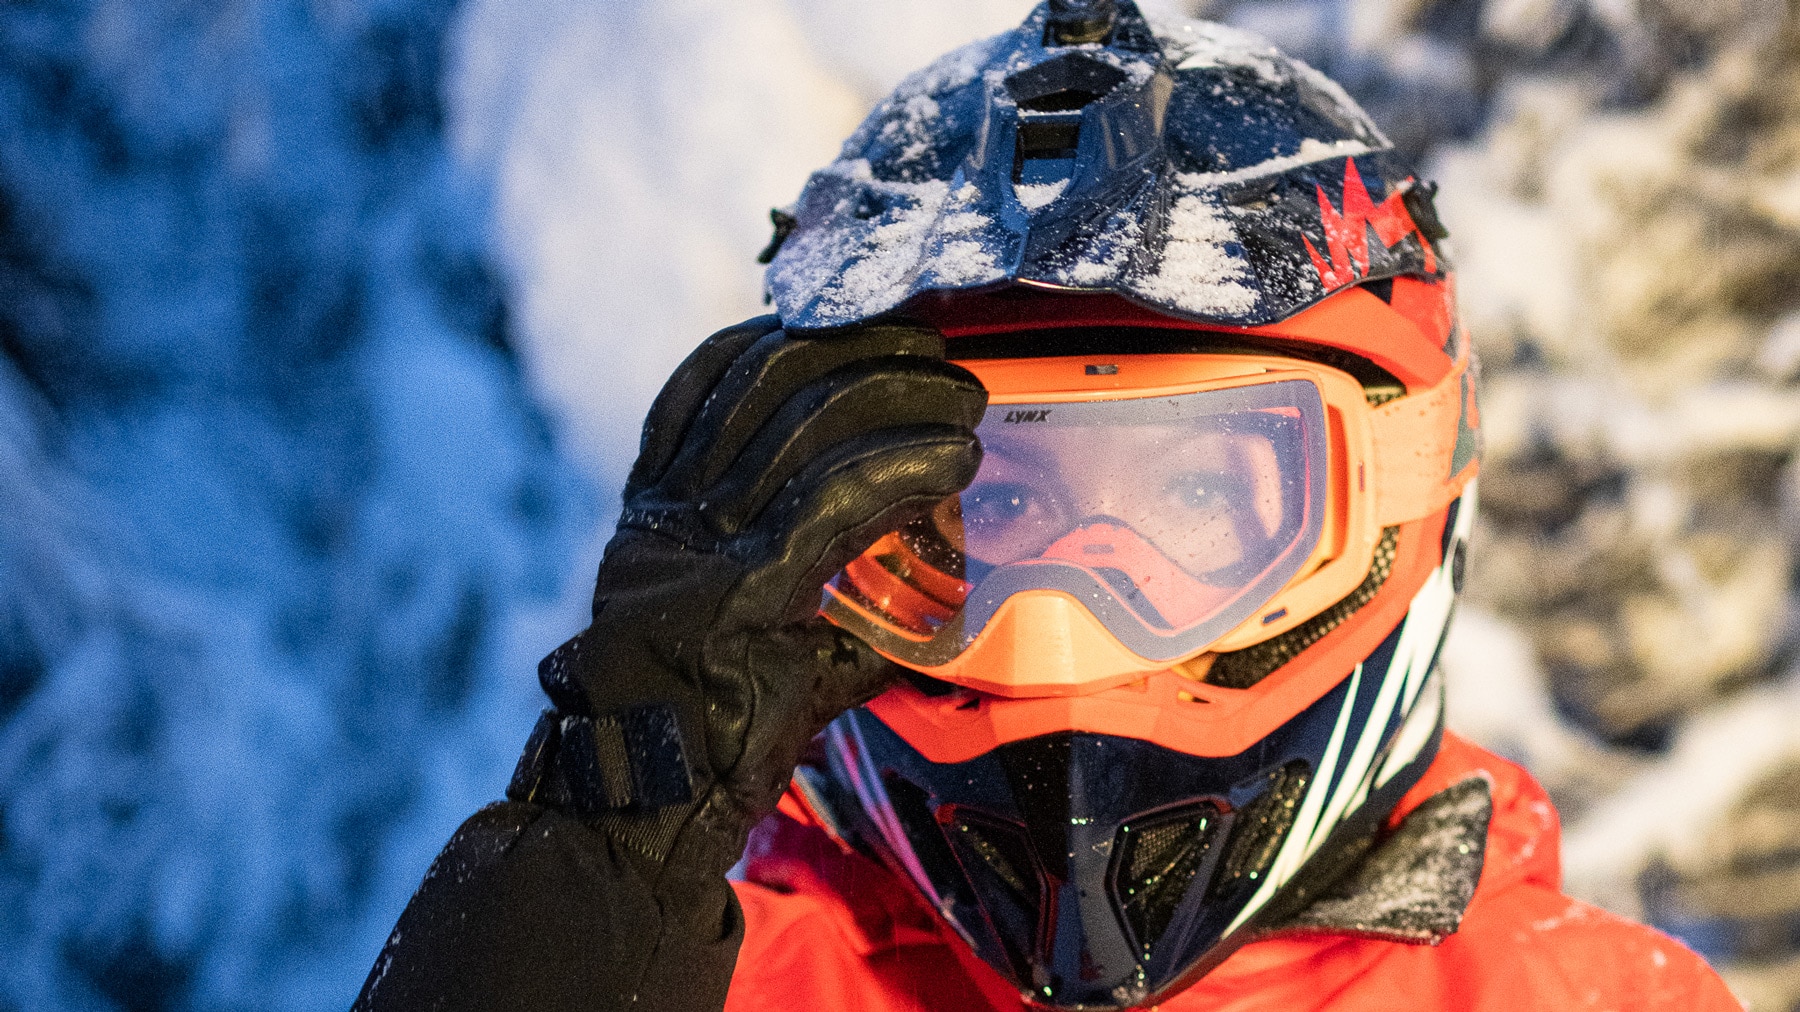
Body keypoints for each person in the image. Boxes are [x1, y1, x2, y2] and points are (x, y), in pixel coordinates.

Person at [352, 1, 1741, 1009]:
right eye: (984, 506)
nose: (1073, 616)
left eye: (1196, 491)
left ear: (1396, 503)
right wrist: (608, 841)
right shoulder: (686, 971)